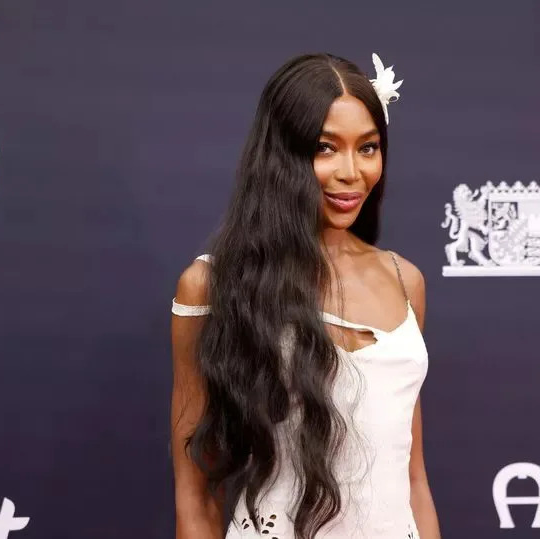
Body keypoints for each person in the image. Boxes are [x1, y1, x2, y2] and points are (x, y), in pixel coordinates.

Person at [170, 52, 440, 539]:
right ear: (282, 154)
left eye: (368, 148)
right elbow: (196, 492)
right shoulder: (212, 285)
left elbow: (413, 478)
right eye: (325, 148)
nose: (351, 172)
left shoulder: (406, 281)